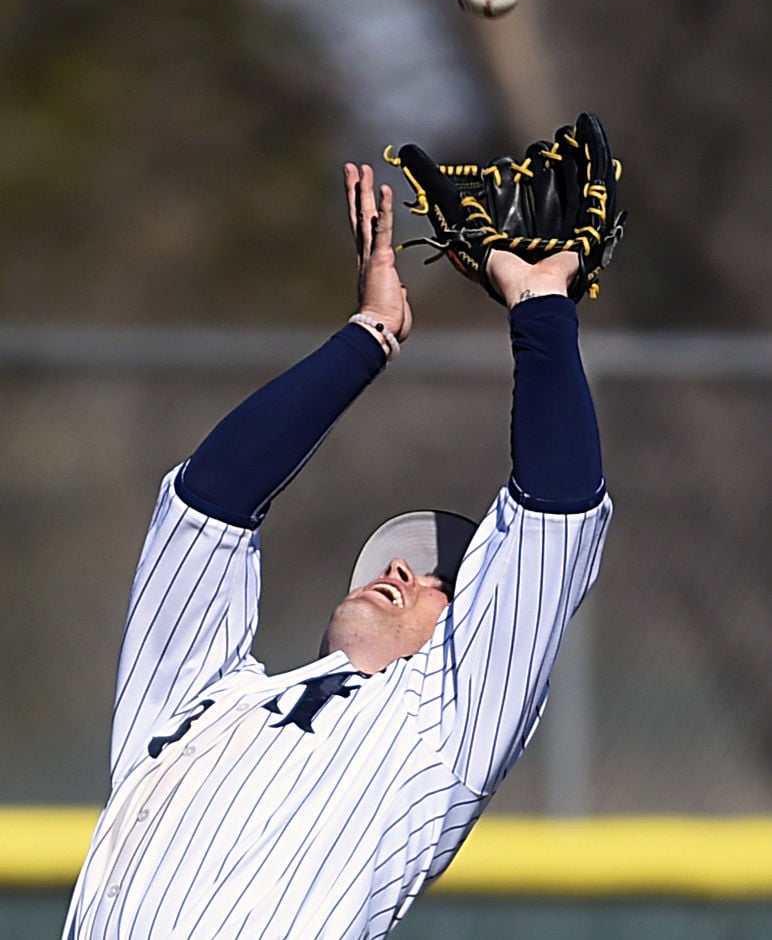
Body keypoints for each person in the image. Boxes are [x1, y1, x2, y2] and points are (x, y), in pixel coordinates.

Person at [62, 163, 613, 939]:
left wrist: (541, 304)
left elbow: (557, 514)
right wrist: (369, 333)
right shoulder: (197, 703)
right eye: (402, 560)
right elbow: (206, 503)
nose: (402, 571)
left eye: (438, 580)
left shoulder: (444, 728)